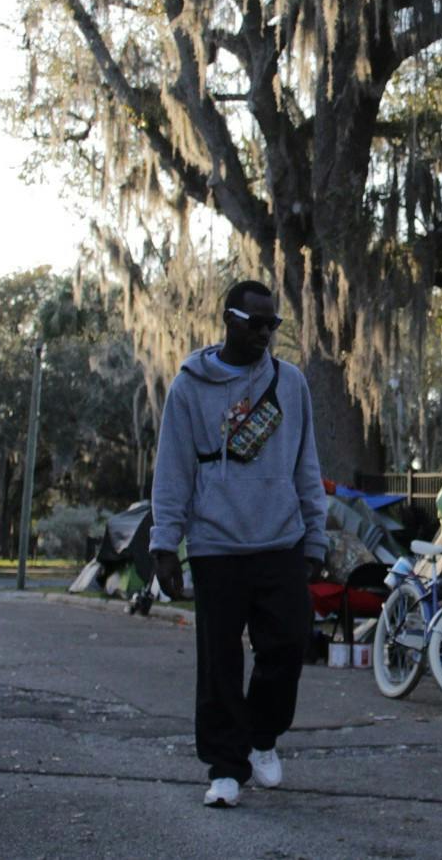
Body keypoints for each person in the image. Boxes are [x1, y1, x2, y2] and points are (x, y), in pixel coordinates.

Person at [150, 279, 328, 809]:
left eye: (273, 324)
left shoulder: (289, 383)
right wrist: (165, 544)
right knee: (219, 663)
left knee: (289, 647)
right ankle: (225, 769)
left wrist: (315, 538)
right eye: (257, 323)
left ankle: (262, 736)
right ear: (228, 320)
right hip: (215, 545)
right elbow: (173, 470)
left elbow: (306, 464)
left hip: (280, 541)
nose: (267, 334)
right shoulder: (189, 387)